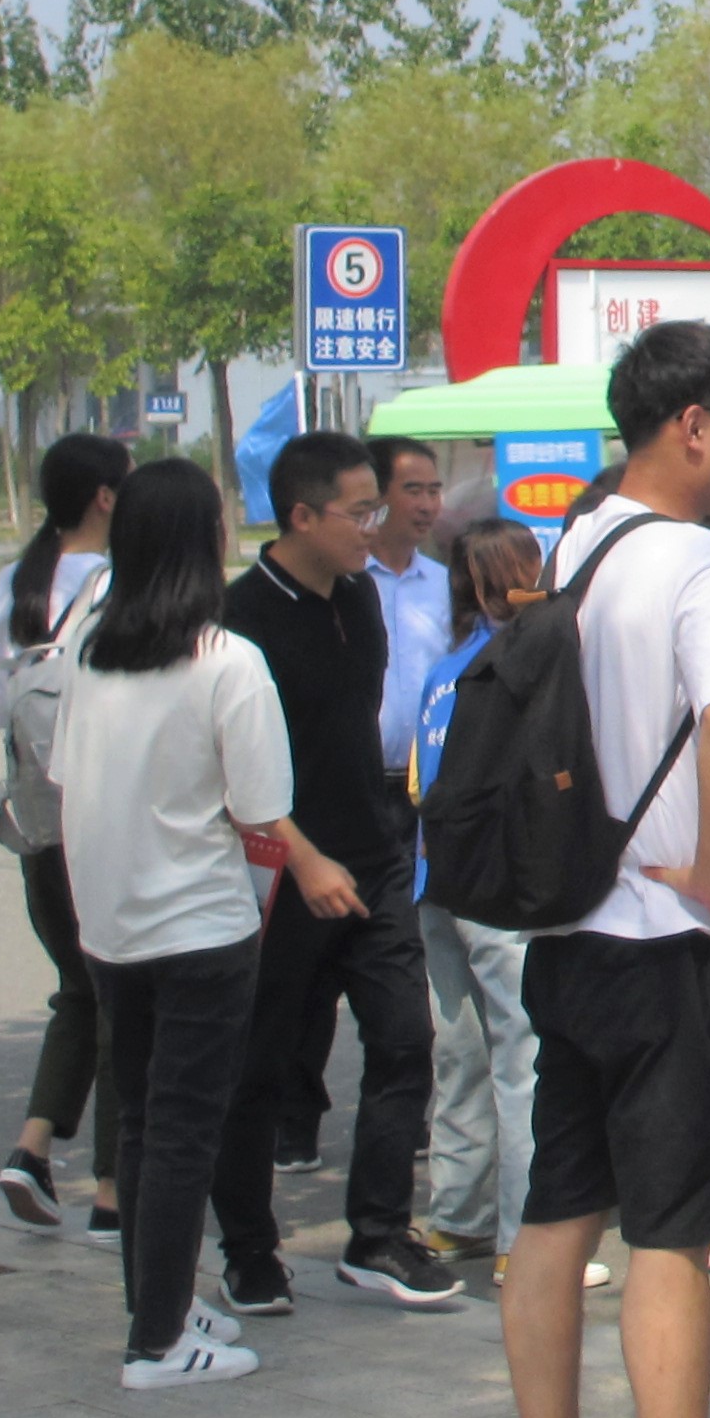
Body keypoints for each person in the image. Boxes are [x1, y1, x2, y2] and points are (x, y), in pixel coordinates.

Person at [499, 320, 710, 1418]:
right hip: (669, 938)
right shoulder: (701, 563)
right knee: (669, 1228)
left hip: (568, 932)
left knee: (558, 1212)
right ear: (695, 426)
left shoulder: (581, 543)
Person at [55, 458, 295, 1389]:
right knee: (186, 1129)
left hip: (111, 927)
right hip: (202, 925)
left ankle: (156, 1304)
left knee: (146, 1124)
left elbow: (67, 778)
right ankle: (157, 1341)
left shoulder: (87, 655)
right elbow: (263, 805)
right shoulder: (228, 664)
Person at [214, 432, 452, 1313]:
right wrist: (300, 856)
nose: (375, 527)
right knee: (262, 1064)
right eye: (361, 512)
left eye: (376, 508)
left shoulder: (359, 596)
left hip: (376, 854)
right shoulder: (243, 618)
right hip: (279, 871)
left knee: (403, 1042)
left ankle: (379, 1234)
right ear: (302, 515)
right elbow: (233, 773)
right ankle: (249, 1249)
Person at [274, 433, 453, 1176]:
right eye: (365, 510)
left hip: (403, 814)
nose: (422, 506)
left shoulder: (407, 591)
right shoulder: (292, 600)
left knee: (403, 1004)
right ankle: (286, 1139)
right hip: (309, 826)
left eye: (431, 492)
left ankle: (387, 1189)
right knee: (296, 1004)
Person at [0, 435, 132, 1239]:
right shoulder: (118, 584)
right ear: (107, 498)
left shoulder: (18, 582)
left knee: (78, 990)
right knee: (117, 995)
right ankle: (111, 1190)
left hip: (36, 821)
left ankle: (33, 1147)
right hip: (101, 822)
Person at [410, 518, 546, 1264]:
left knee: (459, 1054)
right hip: (496, 887)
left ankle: (456, 1215)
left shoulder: (447, 667)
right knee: (520, 1059)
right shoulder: (523, 664)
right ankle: (520, 1239)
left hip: (434, 879)